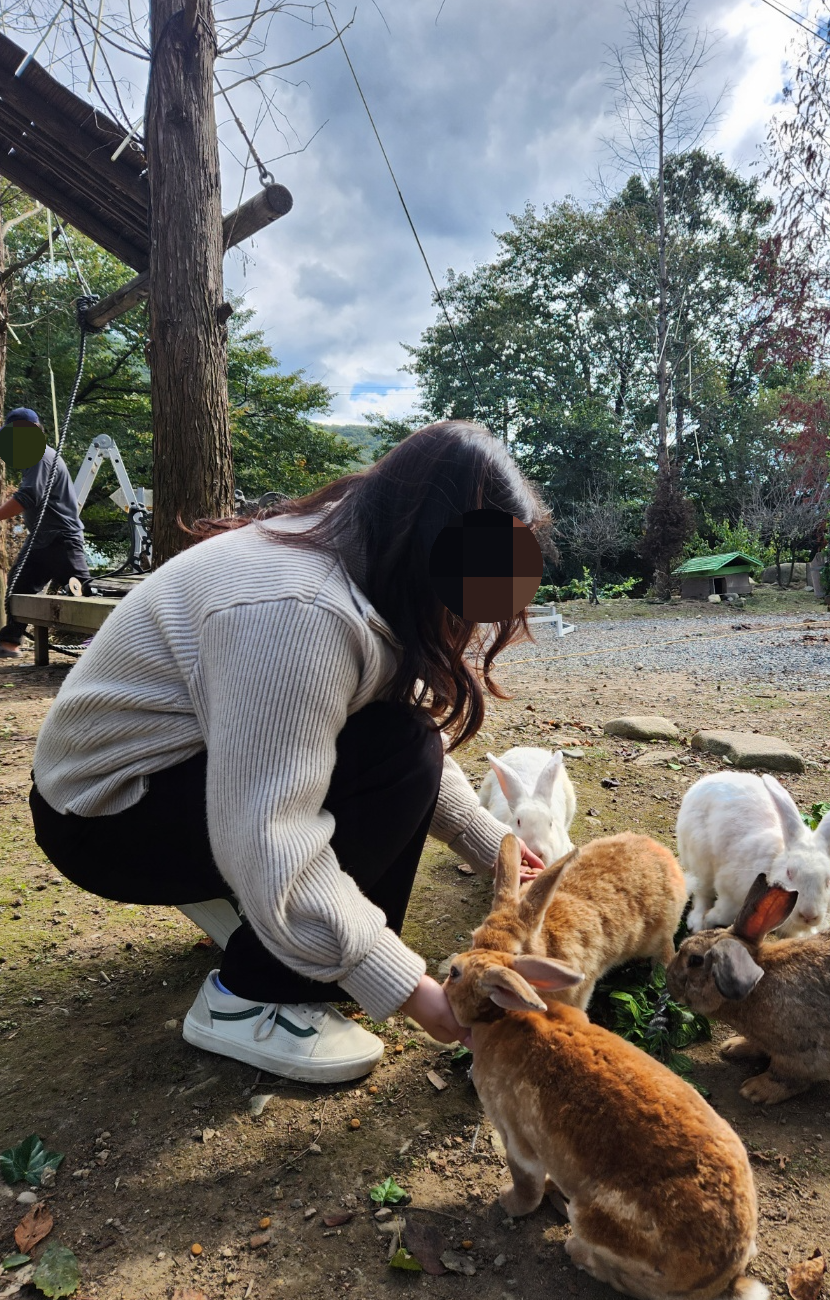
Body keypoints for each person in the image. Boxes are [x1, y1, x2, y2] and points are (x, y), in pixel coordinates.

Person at [27, 421, 550, 1083]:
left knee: (404, 743)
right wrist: (408, 987)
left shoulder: (361, 554)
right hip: (103, 816)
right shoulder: (300, 607)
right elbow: (270, 831)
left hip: (171, 778)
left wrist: (499, 851)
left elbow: (388, 736)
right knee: (404, 752)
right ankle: (252, 996)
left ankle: (271, 920)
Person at [0, 408, 93, 659]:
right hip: (41, 539)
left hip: (61, 538)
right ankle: (8, 644)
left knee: (85, 591)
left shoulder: (41, 456)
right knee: (18, 587)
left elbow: (28, 497)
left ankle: (108, 640)